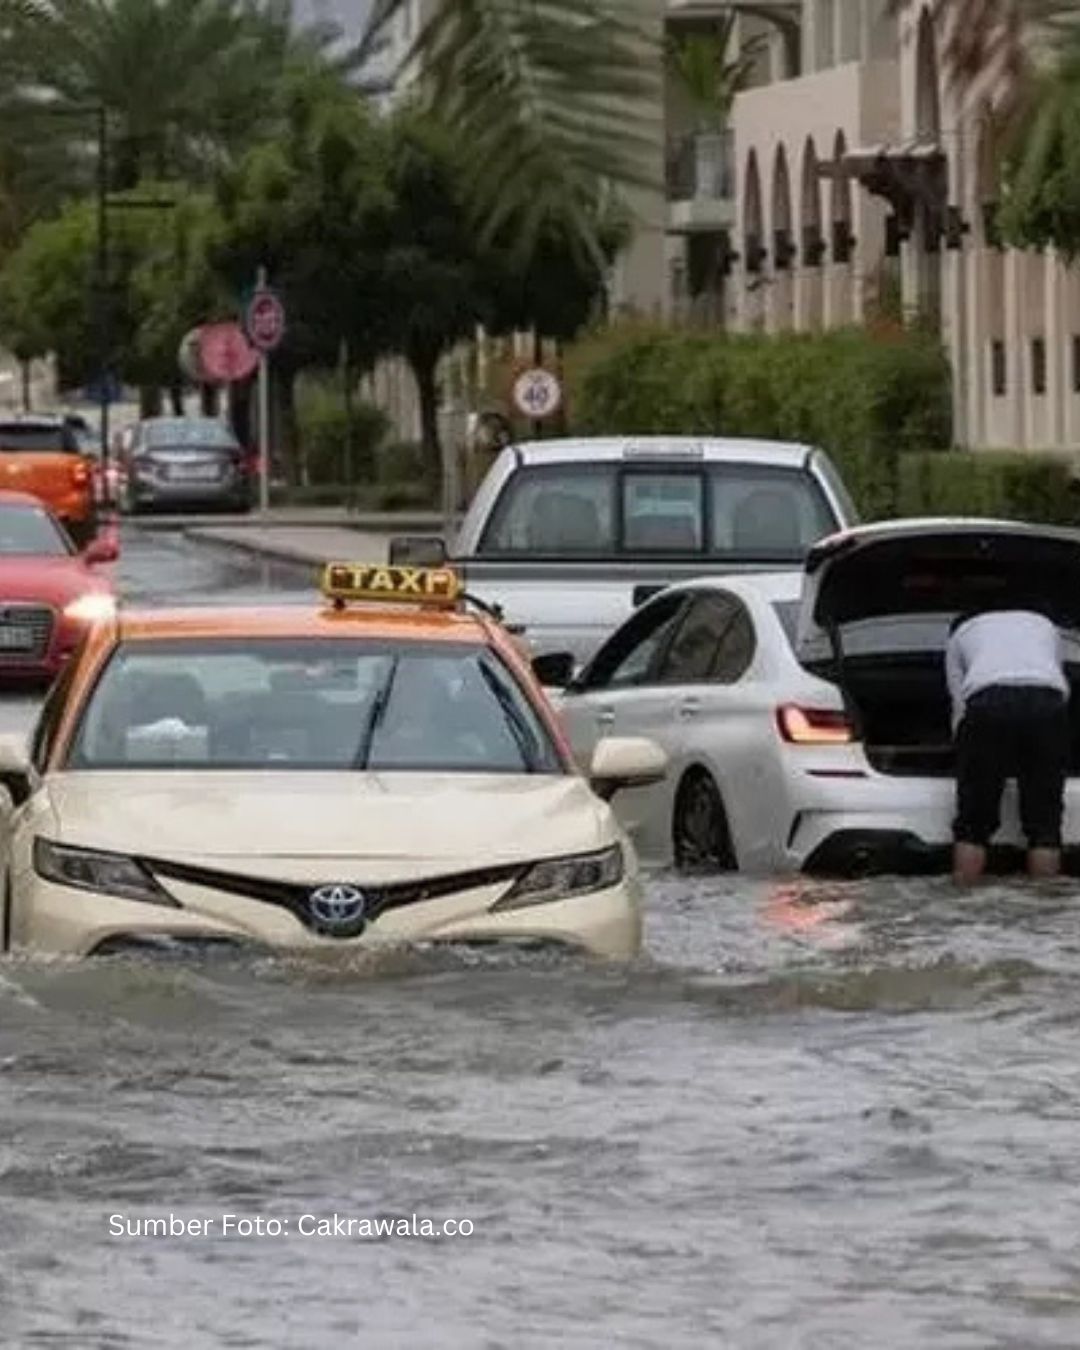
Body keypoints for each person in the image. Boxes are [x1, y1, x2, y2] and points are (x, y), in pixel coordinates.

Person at [946, 601, 1071, 884]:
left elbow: (959, 705)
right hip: (1047, 704)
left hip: (988, 700)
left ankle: (962, 897)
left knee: (973, 823)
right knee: (1045, 824)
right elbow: (1058, 680)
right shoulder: (1045, 626)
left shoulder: (959, 636)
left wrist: (966, 756)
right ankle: (1047, 904)